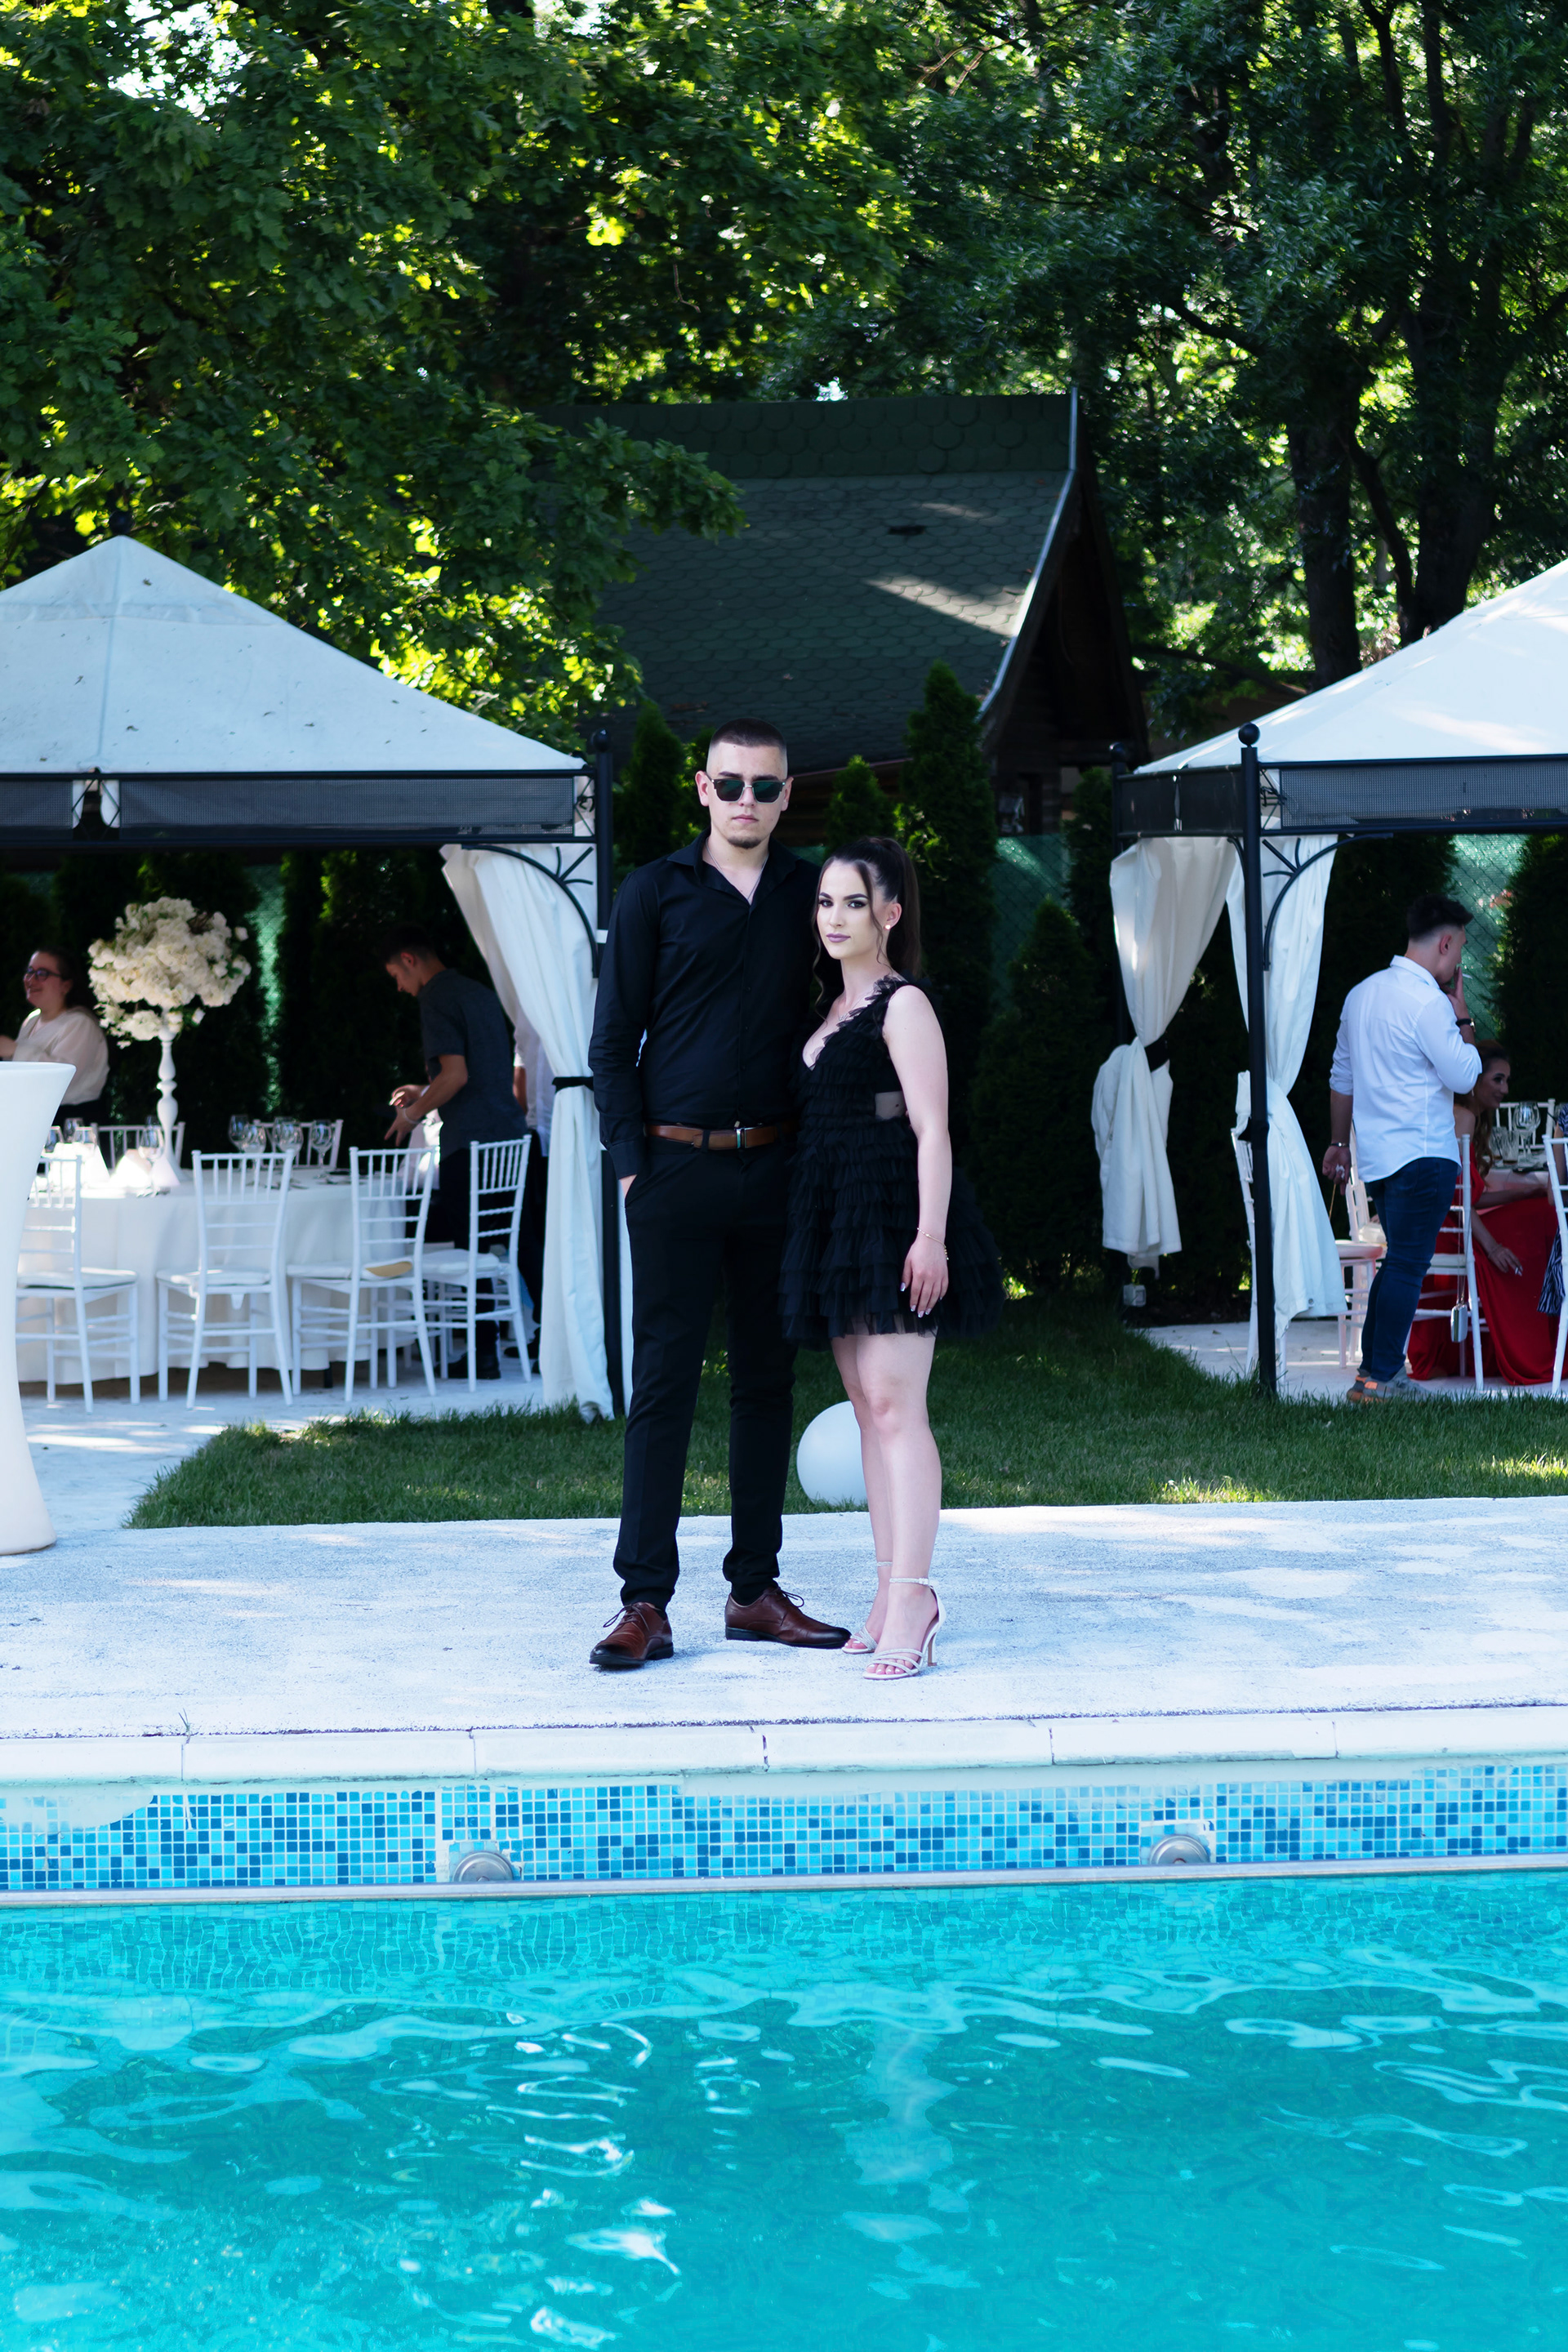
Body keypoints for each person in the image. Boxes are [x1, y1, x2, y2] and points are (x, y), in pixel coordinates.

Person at [587, 716, 849, 1670]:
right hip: (673, 1169)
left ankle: (753, 1591)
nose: (747, 801)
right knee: (662, 1385)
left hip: (776, 1169)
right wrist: (630, 1166)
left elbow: (856, 995)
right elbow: (611, 1042)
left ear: (787, 795)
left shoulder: (812, 894)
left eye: (764, 787)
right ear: (703, 789)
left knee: (766, 1385)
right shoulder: (654, 891)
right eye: (730, 784)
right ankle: (644, 1603)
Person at [781, 839, 1002, 1680]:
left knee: (895, 1405)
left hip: (894, 1216)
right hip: (834, 1219)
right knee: (866, 1407)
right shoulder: (829, 1006)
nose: (834, 917)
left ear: (890, 913)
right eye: (825, 902)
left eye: (853, 903)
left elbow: (932, 1128)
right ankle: (886, 1589)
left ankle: (916, 1598)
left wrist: (930, 1235)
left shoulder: (902, 1004)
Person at [1323, 893, 1484, 1402]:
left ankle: (1372, 1376)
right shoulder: (1429, 1002)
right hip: (1425, 1153)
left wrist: (1338, 1143)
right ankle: (1384, 1378)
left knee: (1398, 1263)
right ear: (1445, 942)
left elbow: (1342, 1078)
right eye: (1461, 949)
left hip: (1379, 1159)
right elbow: (1465, 1076)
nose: (1458, 962)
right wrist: (1463, 1020)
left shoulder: (1360, 995)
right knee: (1408, 1266)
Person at [381, 924, 529, 1379]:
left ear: (410, 960)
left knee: (469, 1247)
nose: (400, 988)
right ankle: (516, 1344)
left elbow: (457, 1076)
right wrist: (424, 1090)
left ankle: (482, 1353)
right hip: (510, 1137)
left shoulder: (435, 998)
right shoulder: (480, 993)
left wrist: (412, 1115)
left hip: (470, 1142)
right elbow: (481, 1073)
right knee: (509, 1244)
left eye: (396, 976)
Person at [1407, 1042, 1557, 1385]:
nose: (1505, 1089)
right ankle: (1537, 1344)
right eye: (1497, 1079)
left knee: (1537, 1208)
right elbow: (1456, 1199)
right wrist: (1493, 1248)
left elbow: (1469, 1197)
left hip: (1456, 1224)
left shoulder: (1466, 1115)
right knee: (1545, 1221)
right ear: (1472, 1080)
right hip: (1451, 1232)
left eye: (1507, 1080)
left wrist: (1526, 1191)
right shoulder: (1463, 1117)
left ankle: (1541, 1338)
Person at [0, 947, 109, 1120]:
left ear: (66, 985)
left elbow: (64, 1078)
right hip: (33, 1116)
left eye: (42, 974)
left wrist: (14, 1050)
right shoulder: (32, 1020)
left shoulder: (80, 1023)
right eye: (30, 971)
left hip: (72, 1120)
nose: (31, 980)